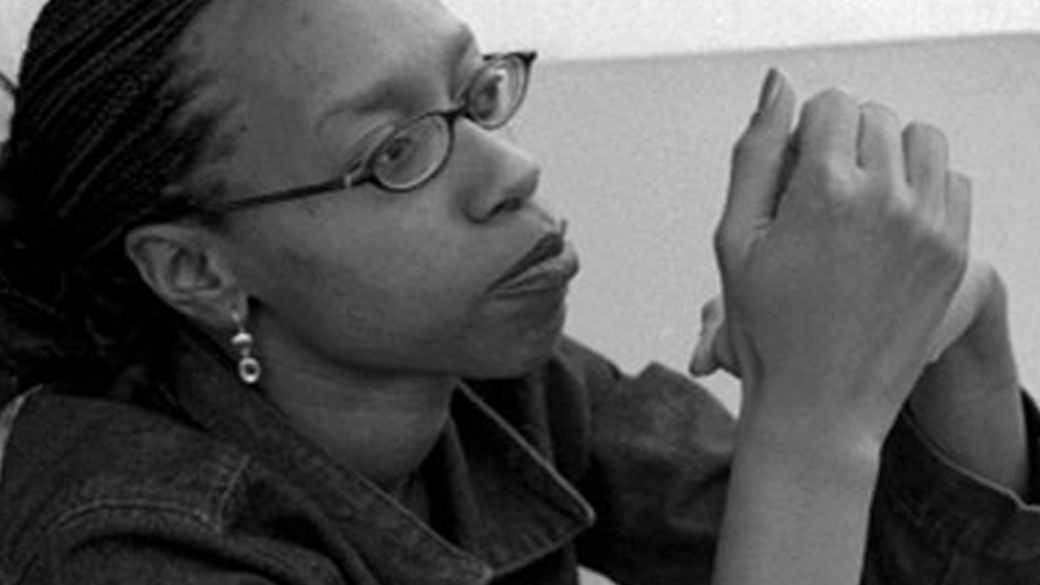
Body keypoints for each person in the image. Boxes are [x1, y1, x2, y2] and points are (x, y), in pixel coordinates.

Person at [0, 0, 1036, 583]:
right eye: (397, 149)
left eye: (475, 94)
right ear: (199, 272)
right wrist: (812, 420)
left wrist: (958, 334)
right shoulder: (119, 544)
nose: (509, 170)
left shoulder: (498, 381)